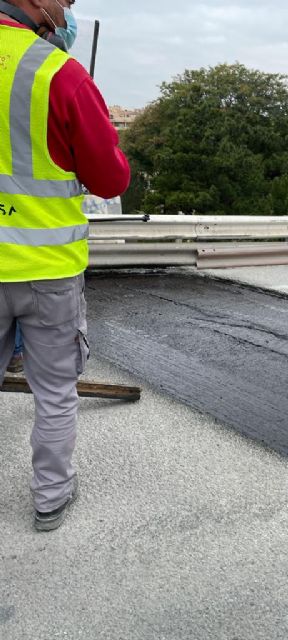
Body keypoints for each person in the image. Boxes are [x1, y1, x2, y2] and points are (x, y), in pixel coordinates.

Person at [0, 0, 130, 531]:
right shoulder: (57, 71)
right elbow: (111, 181)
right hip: (46, 270)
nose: (67, 7)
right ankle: (51, 497)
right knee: (55, 393)